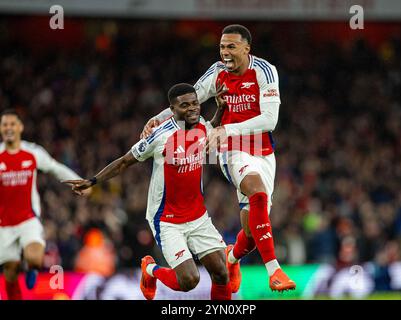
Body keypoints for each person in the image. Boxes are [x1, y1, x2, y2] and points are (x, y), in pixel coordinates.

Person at [140, 24, 296, 293]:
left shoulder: (265, 71)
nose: (225, 52)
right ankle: (275, 270)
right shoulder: (217, 73)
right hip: (229, 148)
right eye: (222, 46)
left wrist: (228, 127)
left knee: (252, 232)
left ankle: (232, 257)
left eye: (231, 46)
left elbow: (271, 120)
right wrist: (158, 118)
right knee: (256, 190)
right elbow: (190, 99)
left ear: (247, 48)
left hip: (263, 151)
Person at [64, 83, 232, 300]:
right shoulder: (160, 135)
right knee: (190, 280)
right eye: (185, 105)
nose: (192, 109)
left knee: (221, 273)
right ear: (172, 110)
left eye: (195, 103)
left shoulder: (200, 125)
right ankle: (150, 270)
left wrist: (220, 109)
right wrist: (93, 180)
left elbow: (211, 130)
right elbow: (124, 162)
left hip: (198, 216)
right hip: (168, 220)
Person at [0, 109, 89, 300]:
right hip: (3, 224)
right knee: (10, 274)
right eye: (5, 124)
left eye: (12, 124)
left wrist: (78, 181)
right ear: (1, 128)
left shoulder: (32, 152)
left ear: (20, 127)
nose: (8, 128)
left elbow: (54, 168)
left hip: (28, 218)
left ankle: (31, 267)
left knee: (34, 257)